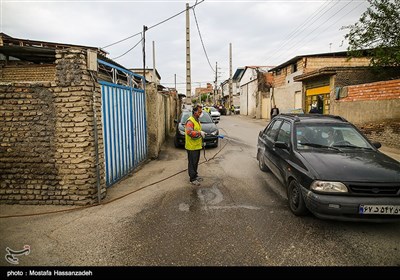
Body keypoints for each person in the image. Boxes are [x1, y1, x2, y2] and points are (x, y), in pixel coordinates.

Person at [185, 105, 206, 186]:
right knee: (192, 163)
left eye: (201, 112)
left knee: (195, 162)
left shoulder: (197, 120)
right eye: (199, 112)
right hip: (191, 146)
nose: (201, 113)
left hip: (197, 145)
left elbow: (197, 130)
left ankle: (195, 175)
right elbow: (189, 132)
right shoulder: (190, 121)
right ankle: (192, 179)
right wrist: (199, 133)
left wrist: (200, 133)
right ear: (195, 112)